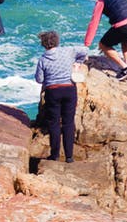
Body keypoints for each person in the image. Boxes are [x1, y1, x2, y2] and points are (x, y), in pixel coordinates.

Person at [34, 31, 87, 163]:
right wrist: (78, 62)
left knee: (54, 123)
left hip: (53, 92)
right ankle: (69, 156)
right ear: (57, 41)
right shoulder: (68, 51)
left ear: (43, 44)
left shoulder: (43, 59)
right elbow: (85, 50)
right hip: (69, 89)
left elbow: (39, 79)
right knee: (69, 122)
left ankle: (55, 154)